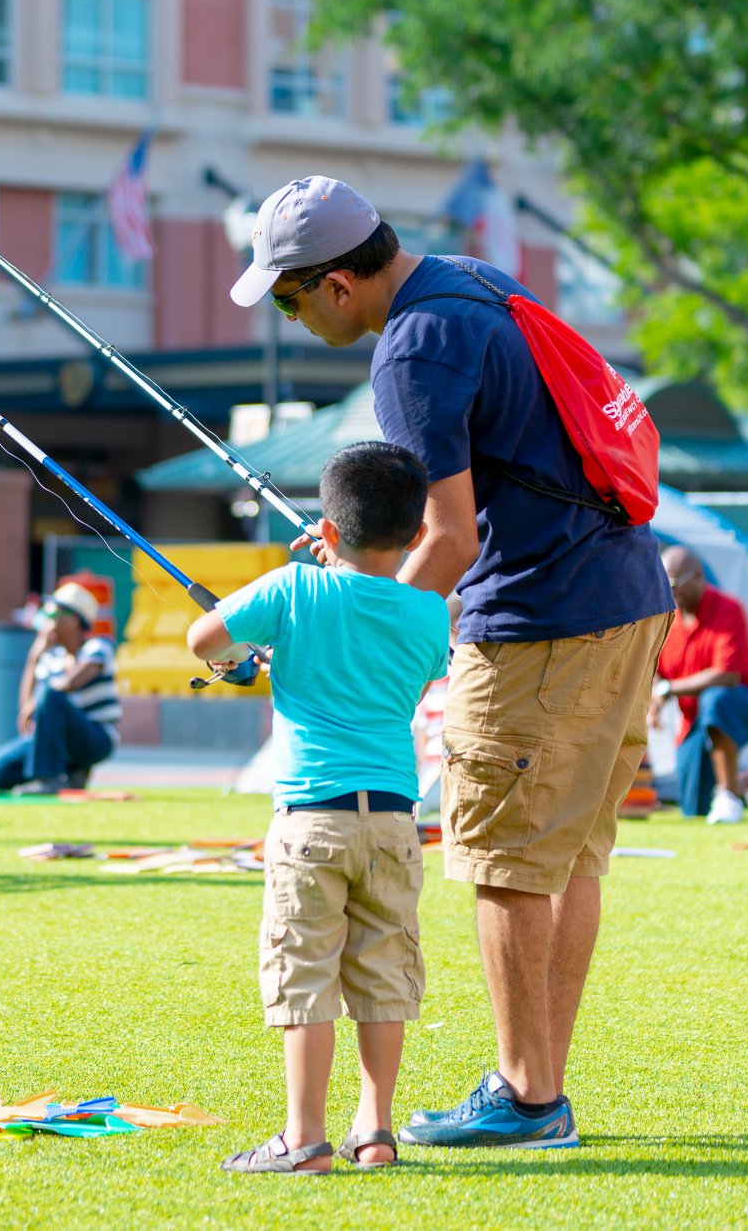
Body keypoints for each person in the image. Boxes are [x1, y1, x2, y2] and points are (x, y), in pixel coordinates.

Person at [228, 176, 673, 1149]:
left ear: (340, 282)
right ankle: (538, 1085)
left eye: (292, 298)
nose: (293, 318)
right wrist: (359, 550)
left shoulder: (409, 349)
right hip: (627, 595)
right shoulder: (466, 282)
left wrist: (352, 628)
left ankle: (526, 1095)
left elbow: (453, 534)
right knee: (571, 857)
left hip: (541, 618)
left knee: (508, 860)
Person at [188, 442, 448, 1173]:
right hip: (394, 819)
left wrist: (246, 656)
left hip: (310, 818)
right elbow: (395, 653)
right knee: (383, 971)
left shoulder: (292, 590)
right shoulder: (430, 616)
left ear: (326, 530)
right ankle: (374, 1131)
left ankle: (302, 1137)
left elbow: (203, 638)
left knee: (304, 971)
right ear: (416, 535)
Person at [651, 547, 748, 823]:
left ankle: (728, 796)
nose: (668, 592)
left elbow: (727, 675)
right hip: (694, 719)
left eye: (673, 584)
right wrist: (656, 697)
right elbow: (656, 669)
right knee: (694, 808)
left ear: (698, 577)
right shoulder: (666, 619)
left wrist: (667, 690)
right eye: (663, 584)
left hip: (746, 703)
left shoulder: (728, 608)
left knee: (716, 700)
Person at [0, 583, 120, 795]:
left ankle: (48, 778)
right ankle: (69, 774)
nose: (47, 620)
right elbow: (26, 708)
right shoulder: (51, 658)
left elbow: (69, 684)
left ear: (72, 620)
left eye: (54, 614)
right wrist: (34, 656)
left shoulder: (98, 647)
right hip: (55, 741)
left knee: (50, 693)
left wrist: (37, 702)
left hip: (95, 738)